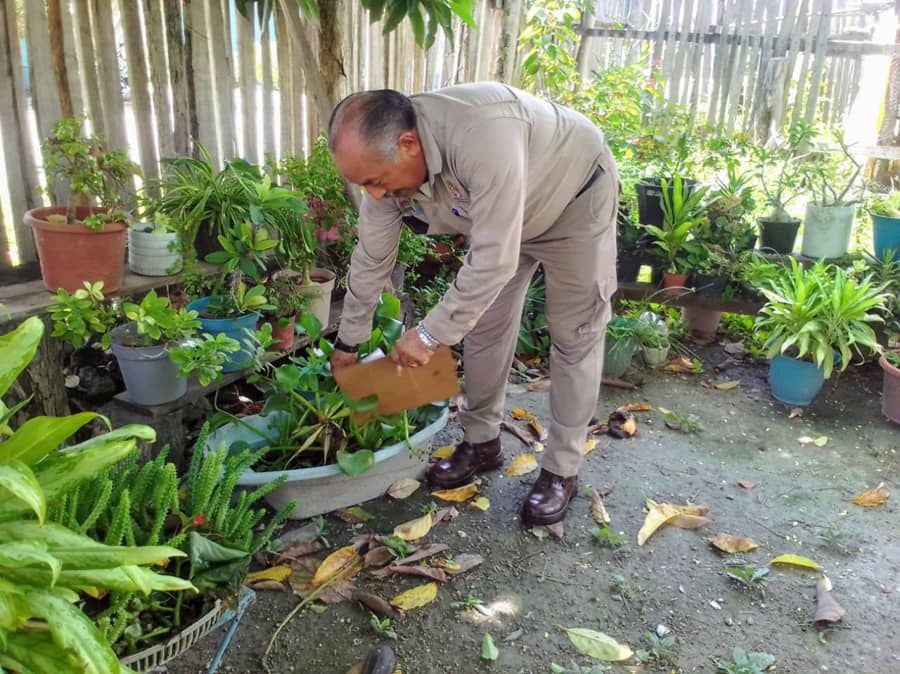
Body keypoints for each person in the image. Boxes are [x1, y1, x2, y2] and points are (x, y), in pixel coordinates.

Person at [327, 82, 618, 526]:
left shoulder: (484, 134)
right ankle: (482, 441)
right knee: (485, 327)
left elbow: (493, 260)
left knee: (574, 334)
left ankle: (562, 468)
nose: (375, 194)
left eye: (375, 181)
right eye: (363, 184)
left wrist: (429, 335)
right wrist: (349, 343)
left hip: (573, 201)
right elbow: (370, 259)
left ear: (408, 144)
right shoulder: (384, 178)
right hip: (502, 219)